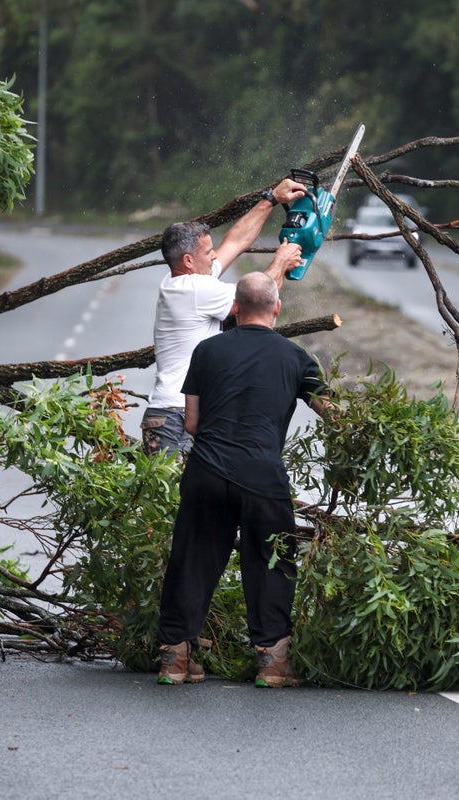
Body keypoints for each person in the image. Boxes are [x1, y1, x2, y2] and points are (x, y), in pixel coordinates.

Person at [155, 271, 328, 688]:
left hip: (206, 473)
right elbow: (335, 415)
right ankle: (271, 663)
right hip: (262, 477)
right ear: (277, 308)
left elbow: (192, 424)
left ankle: (175, 659)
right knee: (271, 564)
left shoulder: (207, 351)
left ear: (234, 308)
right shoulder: (297, 357)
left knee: (192, 560)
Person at [140, 177, 308, 456]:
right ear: (188, 261)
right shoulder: (193, 288)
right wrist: (281, 261)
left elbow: (236, 241)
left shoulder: (187, 281)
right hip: (174, 416)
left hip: (182, 413)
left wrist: (272, 198)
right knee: (170, 498)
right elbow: (256, 299)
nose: (214, 256)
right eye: (208, 252)